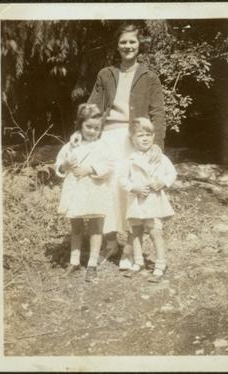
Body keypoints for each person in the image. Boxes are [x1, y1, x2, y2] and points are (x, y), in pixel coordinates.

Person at [71, 23, 166, 269]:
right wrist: (79, 134)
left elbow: (158, 114)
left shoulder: (149, 77)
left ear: (139, 45)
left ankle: (128, 248)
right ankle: (111, 242)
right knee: (108, 188)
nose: (127, 46)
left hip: (134, 140)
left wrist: (157, 146)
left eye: (132, 42)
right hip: (108, 137)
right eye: (123, 42)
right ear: (117, 45)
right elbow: (93, 107)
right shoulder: (106, 74)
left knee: (130, 190)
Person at [55, 103, 114, 282]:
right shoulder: (71, 145)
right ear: (80, 125)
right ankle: (74, 261)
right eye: (88, 126)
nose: (92, 131)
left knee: (96, 225)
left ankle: (92, 264)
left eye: (96, 128)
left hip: (95, 189)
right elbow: (59, 164)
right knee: (77, 226)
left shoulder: (103, 145)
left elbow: (109, 164)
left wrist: (90, 169)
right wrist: (65, 165)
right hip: (76, 191)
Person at [120, 118, 176, 282]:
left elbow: (172, 173)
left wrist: (163, 182)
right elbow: (122, 179)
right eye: (140, 135)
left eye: (148, 134)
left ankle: (160, 264)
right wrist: (134, 187)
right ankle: (138, 262)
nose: (145, 138)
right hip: (137, 201)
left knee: (155, 232)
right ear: (132, 139)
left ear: (153, 136)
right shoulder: (130, 159)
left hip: (153, 200)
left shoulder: (160, 157)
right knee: (135, 232)